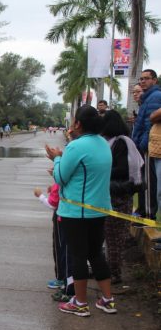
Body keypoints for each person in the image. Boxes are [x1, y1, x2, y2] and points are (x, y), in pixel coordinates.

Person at [46, 105, 115, 317]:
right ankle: (107, 299)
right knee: (96, 253)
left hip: (76, 211)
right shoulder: (103, 144)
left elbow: (60, 177)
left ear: (78, 124)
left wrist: (57, 158)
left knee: (78, 256)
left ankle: (80, 302)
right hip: (99, 209)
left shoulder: (77, 146)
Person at [102, 110, 143, 284]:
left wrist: (101, 172)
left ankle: (115, 274)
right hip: (113, 194)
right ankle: (109, 271)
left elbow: (123, 170)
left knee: (114, 238)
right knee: (110, 237)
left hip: (119, 195)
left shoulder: (122, 143)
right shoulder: (113, 142)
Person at [132, 69, 161, 219]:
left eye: (147, 78)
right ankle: (144, 212)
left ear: (154, 80)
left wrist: (142, 145)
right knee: (144, 182)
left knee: (149, 184)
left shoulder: (155, 97)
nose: (143, 81)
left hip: (149, 147)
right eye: (141, 79)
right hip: (144, 146)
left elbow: (150, 125)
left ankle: (148, 215)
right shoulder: (147, 98)